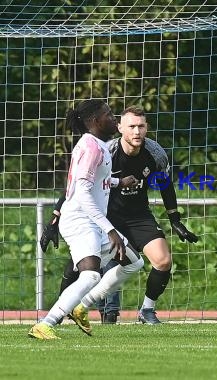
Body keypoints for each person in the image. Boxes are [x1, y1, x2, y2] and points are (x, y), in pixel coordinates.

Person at [41, 105, 199, 325]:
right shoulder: (106, 150)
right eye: (132, 126)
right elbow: (78, 185)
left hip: (138, 215)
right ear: (120, 128)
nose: (137, 131)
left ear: (147, 128)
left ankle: (146, 310)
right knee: (79, 267)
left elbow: (165, 186)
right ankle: (59, 315)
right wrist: (55, 217)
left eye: (141, 126)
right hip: (107, 215)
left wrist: (175, 220)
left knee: (162, 261)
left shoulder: (155, 153)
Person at [29, 99, 144, 340]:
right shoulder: (90, 147)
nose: (114, 118)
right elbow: (80, 191)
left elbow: (93, 182)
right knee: (90, 275)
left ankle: (82, 306)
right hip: (81, 220)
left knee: (133, 262)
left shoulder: (98, 145)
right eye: (109, 114)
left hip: (93, 221)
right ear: (94, 120)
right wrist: (110, 229)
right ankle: (46, 323)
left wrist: (117, 182)